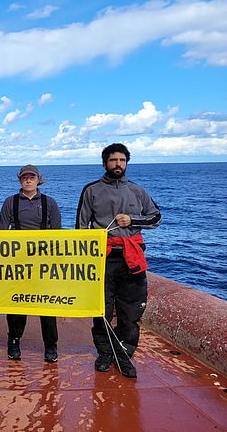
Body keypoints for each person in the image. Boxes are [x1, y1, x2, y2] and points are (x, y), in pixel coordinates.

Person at [76, 143, 161, 378]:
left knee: (131, 309)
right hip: (103, 258)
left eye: (122, 160)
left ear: (127, 163)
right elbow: (81, 227)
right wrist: (85, 261)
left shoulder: (137, 191)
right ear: (105, 163)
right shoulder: (91, 190)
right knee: (102, 308)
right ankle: (104, 352)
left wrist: (132, 220)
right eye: (113, 160)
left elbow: (156, 217)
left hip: (131, 257)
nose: (118, 164)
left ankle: (124, 353)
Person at [0, 164, 62, 362]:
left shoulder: (49, 202)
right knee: (17, 303)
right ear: (20, 180)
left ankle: (51, 345)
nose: (28, 180)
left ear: (38, 180)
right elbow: (1, 233)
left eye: (31, 177)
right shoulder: (10, 202)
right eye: (24, 177)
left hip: (43, 263)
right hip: (18, 263)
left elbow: (57, 234)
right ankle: (14, 341)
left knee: (47, 305)